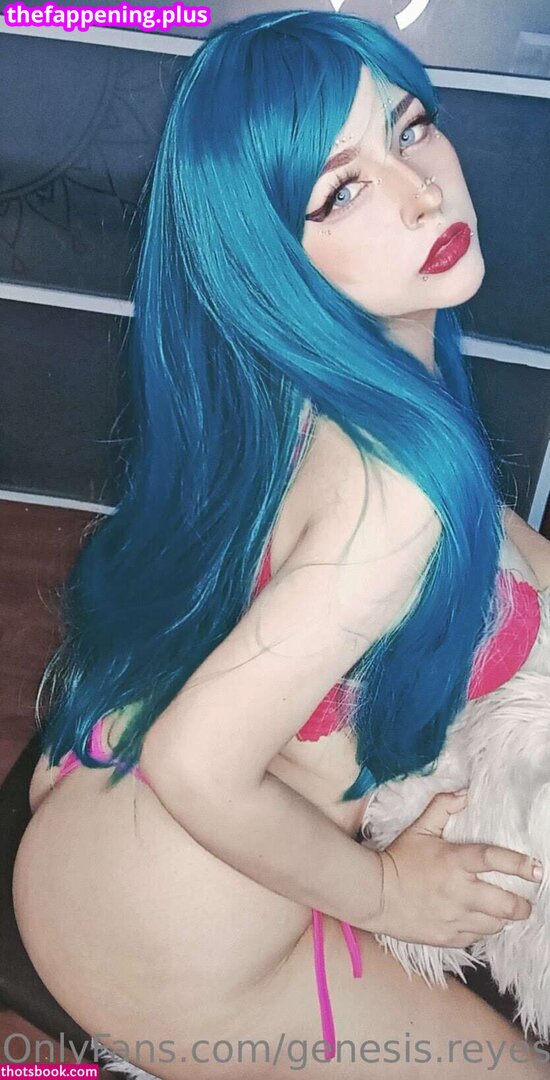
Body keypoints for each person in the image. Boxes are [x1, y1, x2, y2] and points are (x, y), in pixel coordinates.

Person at [13, 9, 550, 1078]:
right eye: (340, 191)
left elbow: (498, 538)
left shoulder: (295, 379)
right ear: (270, 253)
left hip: (116, 833)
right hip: (180, 937)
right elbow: (196, 761)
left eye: (409, 128)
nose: (421, 192)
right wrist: (388, 894)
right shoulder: (395, 497)